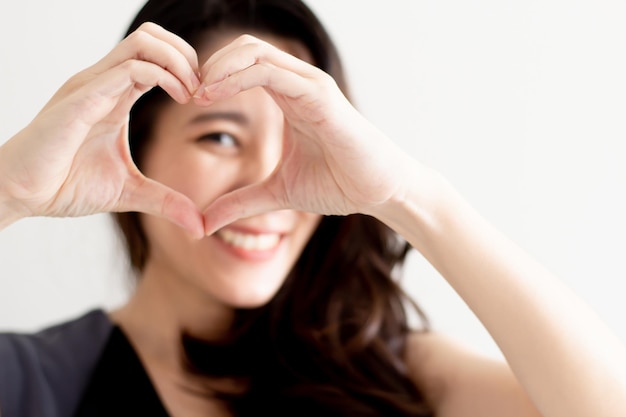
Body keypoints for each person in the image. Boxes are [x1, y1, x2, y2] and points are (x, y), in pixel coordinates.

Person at [0, 0, 625, 416]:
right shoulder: (33, 381)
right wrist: (9, 190)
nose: (269, 181)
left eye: (296, 142)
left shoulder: (392, 372)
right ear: (135, 148)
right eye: (220, 136)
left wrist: (404, 195)